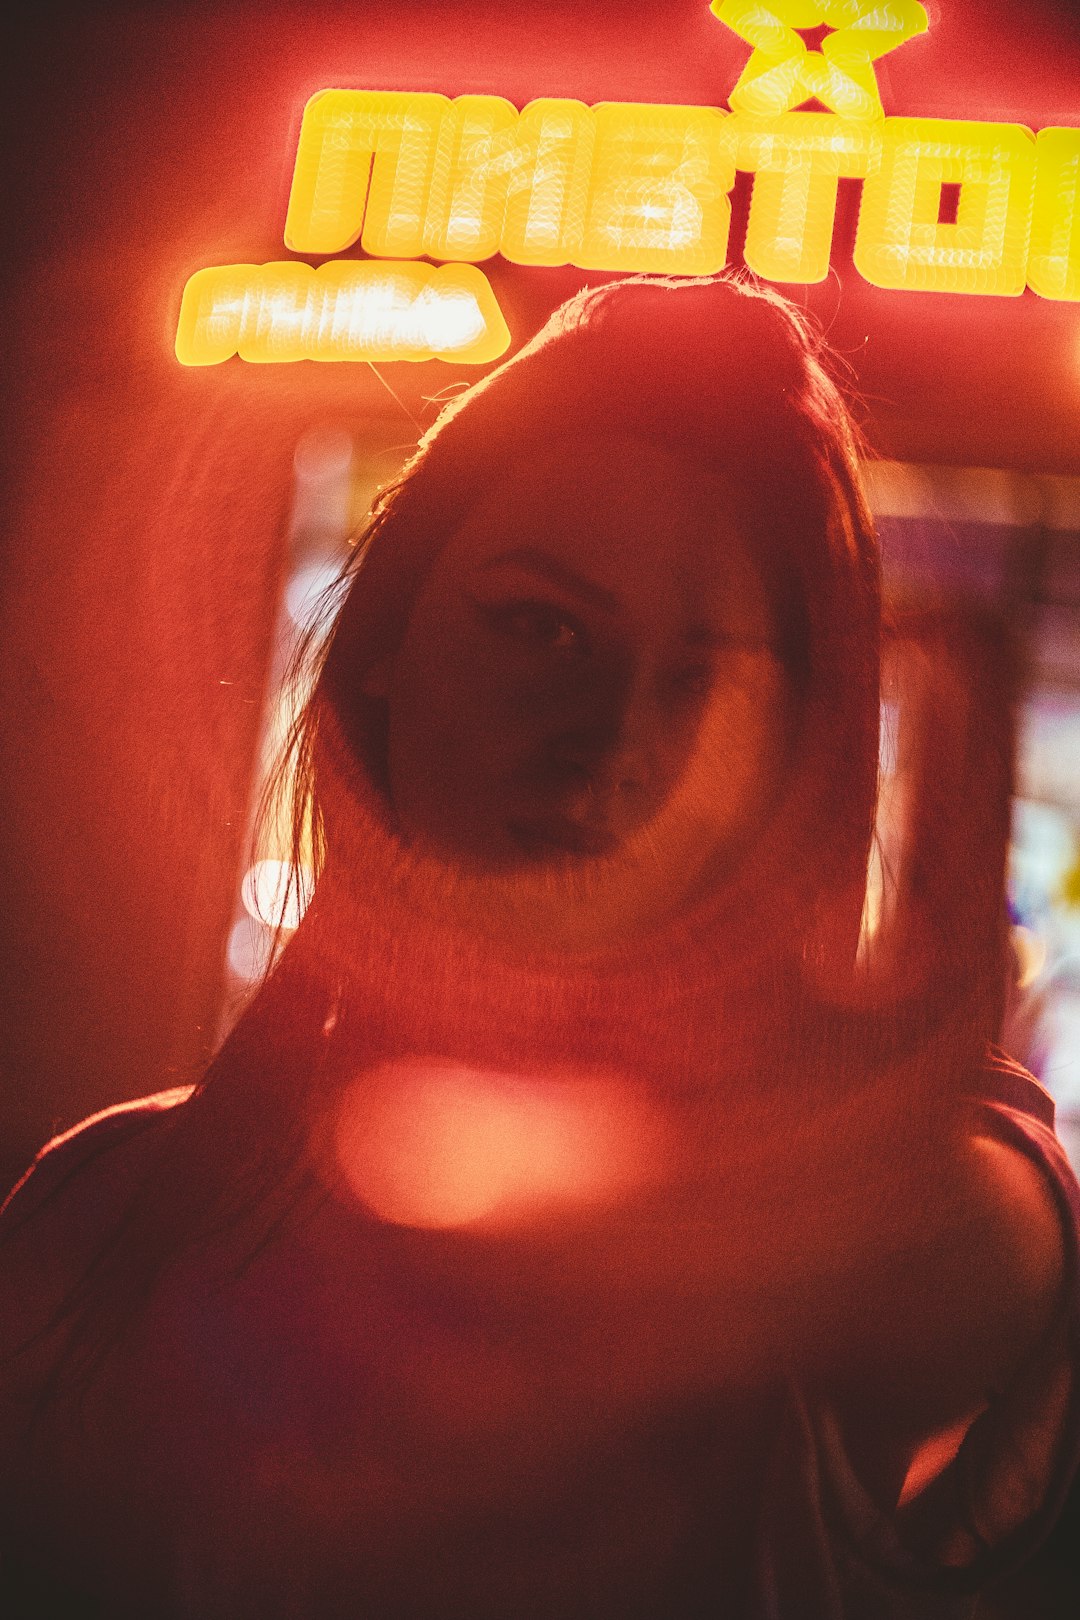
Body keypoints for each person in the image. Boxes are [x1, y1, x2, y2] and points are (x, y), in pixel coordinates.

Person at [1, 274, 1077, 1618]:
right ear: (384, 650)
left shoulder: (884, 1186)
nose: (615, 741)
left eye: (708, 675)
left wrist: (816, 1225)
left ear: (793, 752)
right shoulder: (110, 1206)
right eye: (541, 628)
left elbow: (979, 1273)